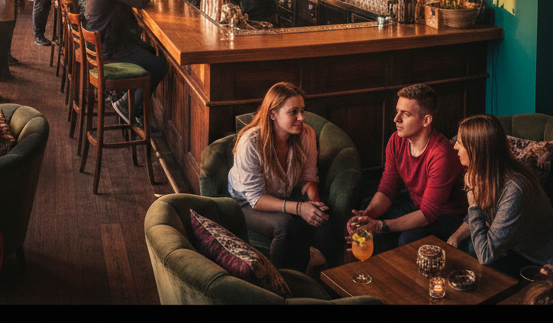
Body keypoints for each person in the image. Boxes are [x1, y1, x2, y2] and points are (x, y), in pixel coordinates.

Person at [227, 82, 333, 270]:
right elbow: (256, 199)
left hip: (283, 194)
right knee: (284, 225)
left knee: (324, 219)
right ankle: (279, 283)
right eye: (293, 112)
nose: (301, 117)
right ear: (272, 114)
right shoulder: (251, 142)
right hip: (245, 202)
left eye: (302, 110)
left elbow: (308, 177)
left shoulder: (306, 133)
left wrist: (314, 206)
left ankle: (319, 279)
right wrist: (299, 208)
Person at [346, 84, 468, 247]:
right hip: (416, 202)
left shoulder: (441, 154)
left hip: (446, 214)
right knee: (366, 206)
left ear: (426, 120)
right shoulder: (396, 140)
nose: (396, 119)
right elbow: (388, 188)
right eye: (397, 111)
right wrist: (367, 217)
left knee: (407, 238)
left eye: (406, 114)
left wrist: (380, 226)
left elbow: (428, 213)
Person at [445, 114, 553, 273]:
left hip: (533, 260)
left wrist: (473, 204)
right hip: (508, 245)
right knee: (457, 246)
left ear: (477, 149)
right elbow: (482, 217)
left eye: (460, 142)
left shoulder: (515, 188)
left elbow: (486, 256)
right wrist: (456, 236)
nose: (455, 147)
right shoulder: (483, 173)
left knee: (471, 263)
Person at [83, 0, 168, 126]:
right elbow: (137, 0)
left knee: (149, 50)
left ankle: (125, 96)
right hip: (109, 46)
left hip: (99, 39)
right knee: (160, 65)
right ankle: (127, 107)